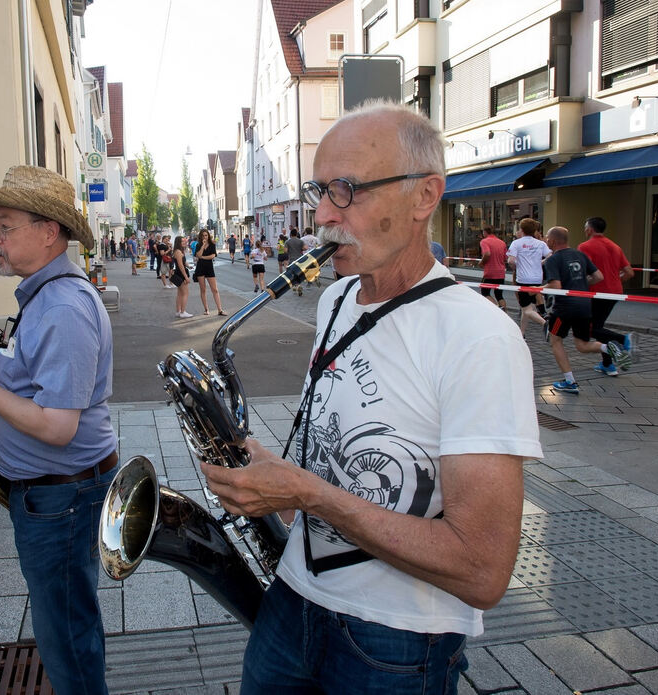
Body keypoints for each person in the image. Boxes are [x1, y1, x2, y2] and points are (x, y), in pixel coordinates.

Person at [200, 102, 541, 694]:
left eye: (347, 190)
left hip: (397, 640)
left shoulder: (480, 337)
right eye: (319, 191)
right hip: (293, 598)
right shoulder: (336, 300)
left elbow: (483, 570)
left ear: (424, 196)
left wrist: (307, 493)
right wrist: (279, 480)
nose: (322, 216)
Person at [0, 166, 117, 695]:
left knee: (64, 633)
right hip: (55, 492)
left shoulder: (61, 307)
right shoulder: (43, 297)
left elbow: (58, 427)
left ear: (49, 231)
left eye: (5, 225)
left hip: (61, 498)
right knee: (67, 621)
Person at [543, 226, 623, 394]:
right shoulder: (580, 255)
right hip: (585, 305)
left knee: (555, 340)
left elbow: (556, 286)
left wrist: (536, 289)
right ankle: (608, 347)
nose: (546, 240)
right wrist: (581, 285)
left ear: (552, 241)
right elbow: (598, 276)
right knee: (582, 345)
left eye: (547, 238)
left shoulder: (553, 259)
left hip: (564, 308)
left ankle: (570, 381)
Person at [579, 217, 634, 375]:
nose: (584, 230)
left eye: (585, 227)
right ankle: (607, 365)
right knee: (598, 327)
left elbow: (584, 272)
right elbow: (629, 272)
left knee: (590, 329)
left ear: (590, 230)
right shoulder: (615, 246)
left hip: (596, 293)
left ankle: (624, 340)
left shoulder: (585, 246)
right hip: (615, 292)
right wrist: (614, 280)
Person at [506, 217, 551, 334]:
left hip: (523, 279)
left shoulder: (516, 243)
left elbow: (511, 261)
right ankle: (522, 333)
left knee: (526, 309)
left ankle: (545, 324)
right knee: (529, 308)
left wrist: (516, 266)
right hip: (537, 279)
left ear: (521, 229)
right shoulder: (540, 244)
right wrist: (540, 263)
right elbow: (550, 256)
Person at [193, 229, 225, 315]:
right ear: (200, 237)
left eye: (206, 235)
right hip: (200, 268)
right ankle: (206, 309)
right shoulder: (198, 245)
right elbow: (198, 255)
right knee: (203, 289)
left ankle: (220, 310)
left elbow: (212, 256)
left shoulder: (212, 245)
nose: (205, 237)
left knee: (215, 289)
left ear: (208, 236)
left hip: (209, 268)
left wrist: (203, 257)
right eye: (203, 235)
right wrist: (203, 246)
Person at [478, 226, 508, 310]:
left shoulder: (484, 241)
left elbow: (487, 253)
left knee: (485, 293)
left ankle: (497, 310)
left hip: (490, 272)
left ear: (485, 232)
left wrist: (482, 263)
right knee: (499, 295)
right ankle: (504, 313)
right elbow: (505, 258)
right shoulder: (502, 242)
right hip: (500, 272)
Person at [170, 235, 193, 318]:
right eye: (182, 241)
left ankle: (178, 311)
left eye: (184, 241)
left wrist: (188, 266)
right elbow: (180, 265)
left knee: (180, 293)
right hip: (181, 274)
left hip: (179, 273)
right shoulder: (178, 252)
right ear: (178, 243)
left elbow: (183, 262)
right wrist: (186, 277)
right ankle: (183, 312)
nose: (184, 242)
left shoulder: (178, 251)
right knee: (185, 293)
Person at [285, 228, 305, 296]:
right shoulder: (300, 241)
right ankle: (298, 285)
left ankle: (295, 285)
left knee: (292, 274)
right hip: (300, 260)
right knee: (299, 274)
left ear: (291, 234)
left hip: (292, 260)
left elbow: (285, 251)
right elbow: (305, 248)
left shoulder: (287, 242)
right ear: (296, 234)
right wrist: (300, 249)